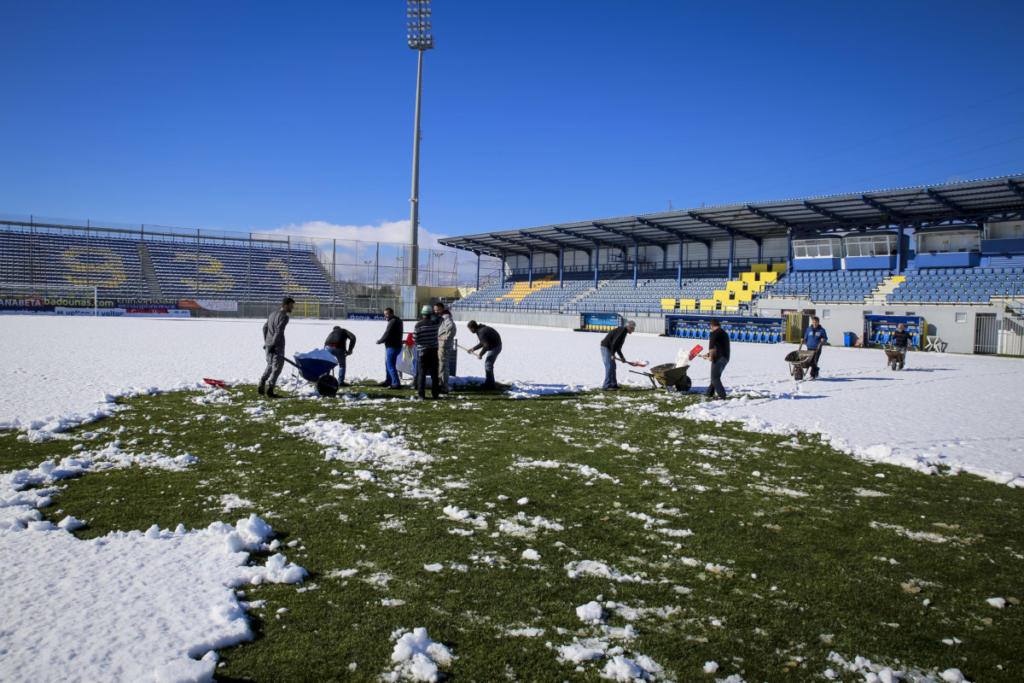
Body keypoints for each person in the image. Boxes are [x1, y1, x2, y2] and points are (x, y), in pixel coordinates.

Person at [259, 296, 294, 398]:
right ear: (286, 305)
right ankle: (270, 390)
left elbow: (264, 328)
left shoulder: (272, 314)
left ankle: (262, 381)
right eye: (291, 306)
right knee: (277, 368)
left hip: (269, 345)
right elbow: (279, 331)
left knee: (270, 365)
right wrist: (274, 344)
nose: (292, 308)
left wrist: (267, 342)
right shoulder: (284, 317)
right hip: (277, 345)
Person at [599, 320, 636, 390]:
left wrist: (622, 357)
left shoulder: (624, 332)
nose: (633, 330)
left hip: (610, 348)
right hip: (606, 347)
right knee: (609, 366)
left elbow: (618, 347)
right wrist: (612, 354)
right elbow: (614, 343)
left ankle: (613, 385)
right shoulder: (622, 331)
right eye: (633, 328)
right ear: (629, 327)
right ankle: (606, 386)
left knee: (613, 366)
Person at [414, 305, 441, 399]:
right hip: (433, 350)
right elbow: (440, 318)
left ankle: (421, 394)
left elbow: (415, 339)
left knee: (422, 373)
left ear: (422, 314)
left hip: (422, 351)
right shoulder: (435, 324)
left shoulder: (418, 325)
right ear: (430, 314)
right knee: (434, 373)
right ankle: (435, 394)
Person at [466, 320, 502, 389]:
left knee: (488, 364)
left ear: (472, 328)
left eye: (469, 329)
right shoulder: (480, 329)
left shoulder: (481, 332)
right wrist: (473, 349)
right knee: (488, 364)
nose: (470, 331)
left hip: (495, 347)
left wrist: (480, 354)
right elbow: (483, 342)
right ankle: (489, 383)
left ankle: (490, 385)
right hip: (494, 345)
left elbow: (486, 345)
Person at [701, 318, 730, 399]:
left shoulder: (714, 333)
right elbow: (719, 347)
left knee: (715, 378)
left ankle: (722, 396)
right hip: (725, 357)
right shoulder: (723, 333)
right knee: (714, 376)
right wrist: (708, 354)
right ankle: (709, 393)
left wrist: (711, 356)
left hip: (719, 358)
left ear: (711, 325)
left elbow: (711, 346)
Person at [376, 307, 404, 389]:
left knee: (390, 365)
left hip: (392, 346)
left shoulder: (393, 321)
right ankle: (388, 381)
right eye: (384, 314)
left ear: (392, 313)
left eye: (387, 314)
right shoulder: (397, 320)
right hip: (396, 346)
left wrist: (380, 341)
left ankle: (396, 383)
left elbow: (387, 333)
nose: (386, 316)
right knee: (388, 364)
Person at [435, 303, 456, 394]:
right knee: (441, 366)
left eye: (437, 310)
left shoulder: (446, 317)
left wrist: (445, 337)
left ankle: (443, 387)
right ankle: (441, 385)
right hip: (441, 345)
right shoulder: (441, 318)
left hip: (444, 345)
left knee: (442, 367)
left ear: (442, 309)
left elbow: (452, 329)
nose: (436, 312)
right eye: (435, 310)